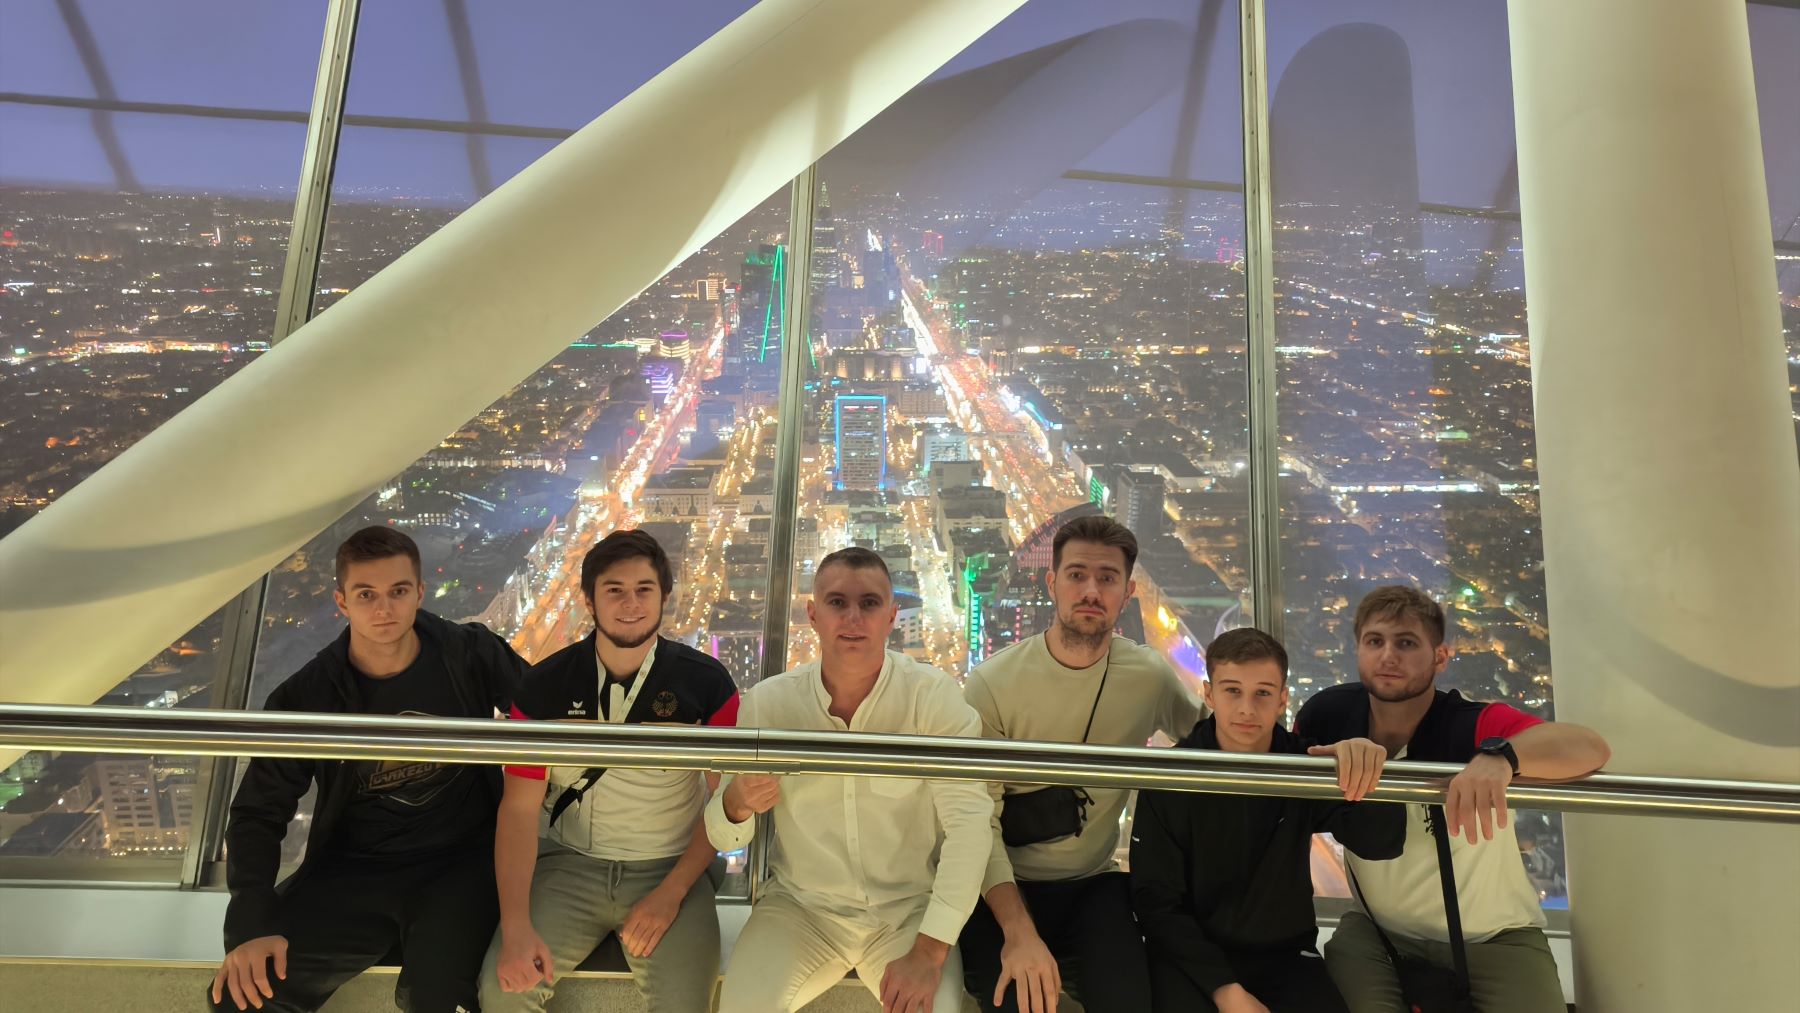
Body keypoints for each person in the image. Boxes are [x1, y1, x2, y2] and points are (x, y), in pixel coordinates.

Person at [210, 526, 525, 1013]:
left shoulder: (469, 654)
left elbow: (546, 714)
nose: (384, 609)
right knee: (243, 997)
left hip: (463, 861)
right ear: (342, 602)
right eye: (366, 594)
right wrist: (250, 924)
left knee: (438, 997)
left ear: (420, 592)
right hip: (355, 868)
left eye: (398, 591)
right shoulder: (308, 695)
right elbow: (258, 811)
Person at [1295, 585, 1610, 1013]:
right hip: (1377, 931)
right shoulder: (1328, 716)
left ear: (1440, 657)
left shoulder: (1470, 725)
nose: (1388, 656)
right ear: (1358, 650)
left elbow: (1588, 747)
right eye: (1374, 641)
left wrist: (1503, 758)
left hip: (1494, 937)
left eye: (1406, 643)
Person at [706, 547, 991, 1013]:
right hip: (800, 909)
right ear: (813, 615)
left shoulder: (932, 698)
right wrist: (736, 802)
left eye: (869, 603)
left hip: (907, 911)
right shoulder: (769, 704)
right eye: (837, 602)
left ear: (892, 616)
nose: (853, 617)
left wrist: (930, 949)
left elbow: (970, 828)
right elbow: (723, 834)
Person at [481, 530, 739, 1013]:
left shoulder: (707, 685)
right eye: (614, 589)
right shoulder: (542, 687)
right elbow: (517, 811)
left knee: (685, 1005)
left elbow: (725, 805)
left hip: (671, 865)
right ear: (589, 600)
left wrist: (672, 892)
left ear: (665, 596)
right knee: (503, 992)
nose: (630, 603)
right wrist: (515, 927)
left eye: (644, 589)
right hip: (568, 864)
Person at [959, 515, 1208, 1013]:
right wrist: (1018, 930)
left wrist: (1333, 750)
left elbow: (1217, 743)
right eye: (1076, 575)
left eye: (1107, 578)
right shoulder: (993, 684)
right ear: (1052, 583)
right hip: (1001, 886)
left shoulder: (1148, 676)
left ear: (1127, 592)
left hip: (1094, 884)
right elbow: (975, 822)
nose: (1091, 591)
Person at [1130, 627, 1405, 1013]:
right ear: (1208, 694)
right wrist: (1227, 991)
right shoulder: (1172, 776)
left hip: (1286, 955)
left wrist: (1368, 765)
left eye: (1262, 693)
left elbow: (1381, 842)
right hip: (1191, 958)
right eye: (1232, 691)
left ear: (1282, 699)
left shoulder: (1303, 766)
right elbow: (1156, 903)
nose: (1247, 708)